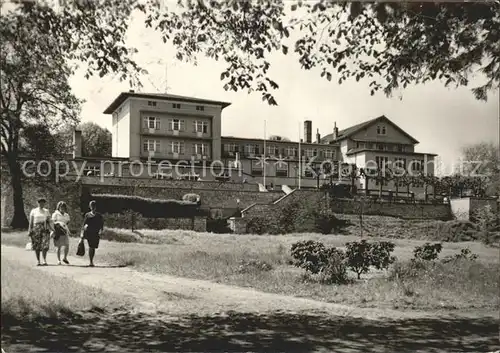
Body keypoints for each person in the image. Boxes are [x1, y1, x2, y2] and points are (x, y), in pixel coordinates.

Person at [28, 198, 52, 266]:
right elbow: (31, 222)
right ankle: (38, 260)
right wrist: (30, 230)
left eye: (43, 203)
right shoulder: (34, 211)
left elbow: (50, 221)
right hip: (36, 228)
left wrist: (51, 229)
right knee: (37, 245)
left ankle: (44, 260)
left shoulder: (46, 211)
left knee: (45, 245)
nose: (41, 204)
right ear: (37, 203)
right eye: (40, 203)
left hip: (45, 228)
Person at [81, 200, 104, 267]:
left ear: (96, 207)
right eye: (91, 206)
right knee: (91, 246)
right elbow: (84, 224)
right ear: (90, 207)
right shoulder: (87, 215)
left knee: (93, 247)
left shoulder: (99, 215)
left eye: (94, 206)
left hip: (96, 233)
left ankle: (91, 260)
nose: (93, 207)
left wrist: (101, 231)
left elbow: (101, 224)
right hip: (89, 233)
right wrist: (83, 232)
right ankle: (91, 261)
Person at [52, 201, 71, 265]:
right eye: (61, 207)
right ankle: (58, 260)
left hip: (65, 231)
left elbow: (67, 222)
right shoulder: (55, 214)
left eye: (64, 207)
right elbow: (53, 222)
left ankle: (65, 258)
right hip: (58, 231)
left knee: (67, 245)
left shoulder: (66, 215)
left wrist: (64, 227)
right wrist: (59, 225)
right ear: (58, 207)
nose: (62, 208)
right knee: (58, 246)